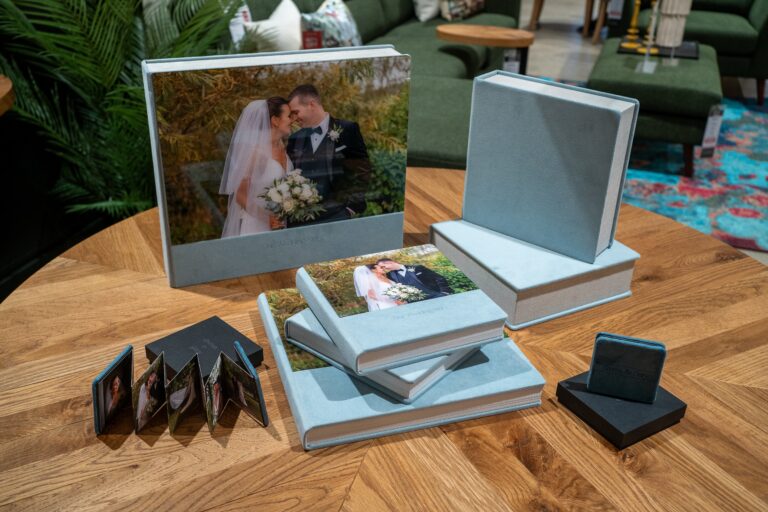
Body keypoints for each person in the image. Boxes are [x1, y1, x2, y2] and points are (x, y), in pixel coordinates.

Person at [287, 84, 371, 225]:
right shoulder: (295, 139)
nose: (294, 118)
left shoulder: (347, 129)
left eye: (296, 112)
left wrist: (351, 208)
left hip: (338, 216)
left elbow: (362, 170)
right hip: (301, 220)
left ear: (311, 105)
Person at [220, 97, 294, 237]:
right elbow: (240, 195)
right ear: (275, 120)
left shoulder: (284, 148)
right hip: (256, 227)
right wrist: (267, 218)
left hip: (280, 226)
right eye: (288, 116)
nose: (292, 120)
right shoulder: (257, 153)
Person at [377, 258, 453, 299]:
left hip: (436, 296)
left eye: (383, 266)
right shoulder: (390, 275)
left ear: (390, 262)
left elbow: (439, 278)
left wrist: (445, 292)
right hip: (416, 302)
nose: (383, 269)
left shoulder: (417, 268)